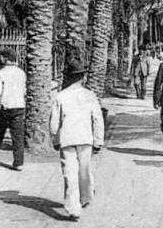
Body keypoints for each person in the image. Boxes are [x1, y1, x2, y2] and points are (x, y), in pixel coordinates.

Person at [49, 52, 104, 222]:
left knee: (69, 173)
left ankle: (74, 208)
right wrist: (98, 140)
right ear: (82, 77)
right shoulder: (89, 95)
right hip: (85, 138)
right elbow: (97, 119)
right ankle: (85, 197)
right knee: (84, 169)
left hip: (67, 139)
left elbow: (54, 123)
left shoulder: (60, 96)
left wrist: (55, 139)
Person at [0, 48, 26, 170]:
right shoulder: (21, 73)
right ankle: (18, 163)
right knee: (18, 136)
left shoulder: (0, 74)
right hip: (19, 106)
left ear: (6, 58)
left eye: (1, 57)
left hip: (3, 108)